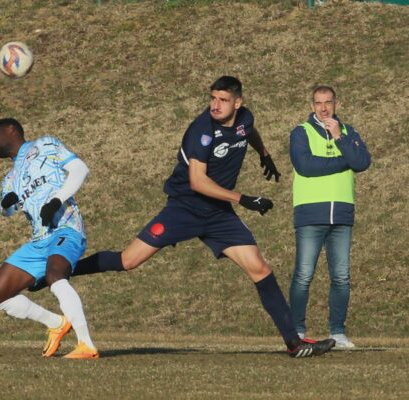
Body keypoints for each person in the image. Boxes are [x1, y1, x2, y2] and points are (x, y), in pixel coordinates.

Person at [72, 76, 335, 357]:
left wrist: (264, 154)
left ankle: (294, 344)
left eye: (222, 100)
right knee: (128, 260)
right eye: (212, 98)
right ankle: (64, 269)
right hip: (184, 208)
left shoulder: (245, 118)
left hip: (218, 214)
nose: (215, 105)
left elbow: (249, 131)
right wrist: (243, 199)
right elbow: (197, 182)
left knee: (260, 269)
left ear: (238, 102)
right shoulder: (202, 130)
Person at [0, 117, 99, 359]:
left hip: (66, 228)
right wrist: (5, 205)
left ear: (11, 130)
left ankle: (86, 345)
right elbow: (7, 210)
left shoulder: (46, 144)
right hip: (39, 241)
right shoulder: (10, 178)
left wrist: (57, 199)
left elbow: (80, 169)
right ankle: (56, 323)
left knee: (55, 276)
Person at [288, 86, 371, 348]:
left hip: (343, 213)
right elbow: (306, 166)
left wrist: (339, 138)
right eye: (318, 103)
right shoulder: (301, 132)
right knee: (303, 275)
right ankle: (297, 332)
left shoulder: (348, 132)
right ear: (312, 105)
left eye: (328, 103)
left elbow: (363, 162)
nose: (323, 108)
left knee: (341, 277)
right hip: (310, 212)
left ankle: (338, 332)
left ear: (336, 103)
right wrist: (345, 160)